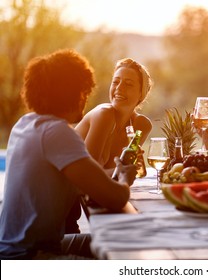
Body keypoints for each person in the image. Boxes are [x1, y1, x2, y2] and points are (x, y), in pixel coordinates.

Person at [0, 49, 137, 260]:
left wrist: (115, 173)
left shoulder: (25, 124)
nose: (86, 96)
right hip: (28, 257)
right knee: (129, 262)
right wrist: (126, 177)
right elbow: (116, 198)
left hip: (16, 246)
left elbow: (88, 180)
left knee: (113, 244)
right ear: (75, 93)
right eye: (84, 90)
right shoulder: (57, 133)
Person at [75, 58, 153, 173]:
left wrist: (130, 169)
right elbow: (88, 175)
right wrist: (126, 170)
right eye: (116, 82)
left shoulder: (141, 125)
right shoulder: (103, 114)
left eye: (128, 84)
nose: (119, 88)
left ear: (141, 93)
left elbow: (118, 176)